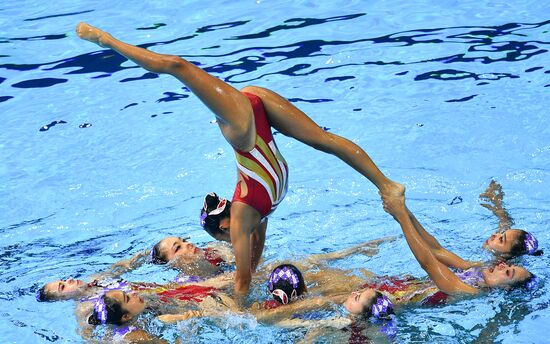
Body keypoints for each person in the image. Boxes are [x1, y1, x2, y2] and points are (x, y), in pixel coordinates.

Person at [76, 22, 404, 296]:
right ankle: (385, 184)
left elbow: (243, 281)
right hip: (256, 105)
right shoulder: (253, 221)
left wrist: (240, 310)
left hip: (245, 132)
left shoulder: (247, 219)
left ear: (223, 230)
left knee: (177, 66)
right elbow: (252, 266)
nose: (231, 243)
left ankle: (105, 39)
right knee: (324, 140)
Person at [479, 180, 541, 259]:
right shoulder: (505, 242)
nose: (494, 234)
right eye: (502, 233)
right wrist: (494, 199)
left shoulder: (495, 269)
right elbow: (505, 219)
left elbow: (466, 265)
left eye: (501, 239)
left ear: (506, 255)